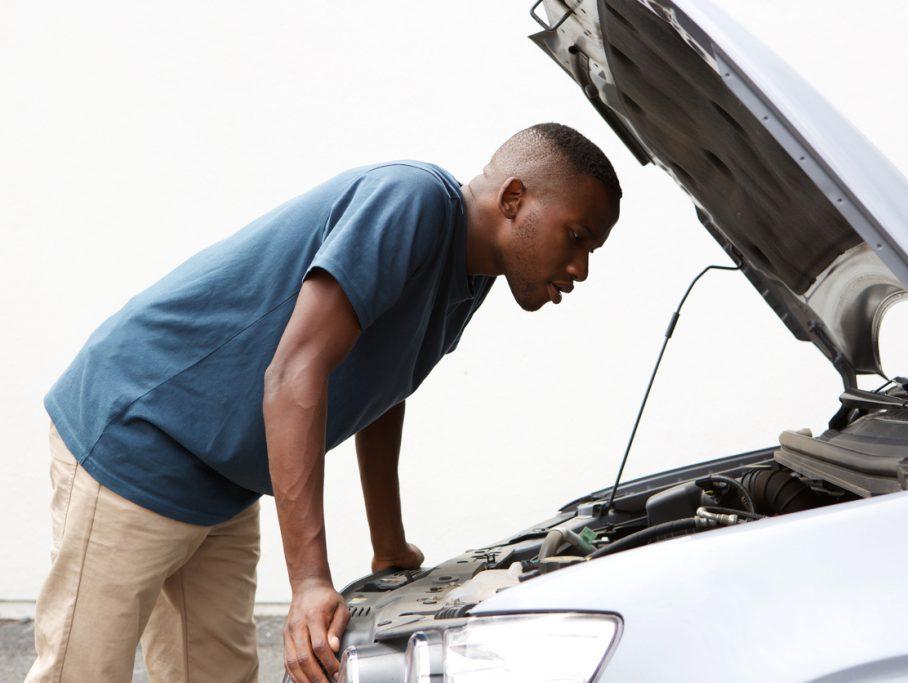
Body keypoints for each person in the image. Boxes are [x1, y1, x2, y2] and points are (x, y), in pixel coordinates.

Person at [27, 122, 621, 683]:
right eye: (577, 237)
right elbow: (293, 374)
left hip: (224, 480)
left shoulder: (471, 273)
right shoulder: (410, 201)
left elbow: (384, 384)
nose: (583, 268)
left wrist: (387, 540)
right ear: (514, 197)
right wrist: (310, 582)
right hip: (139, 436)